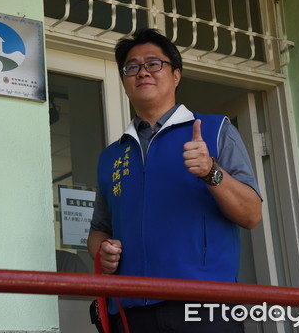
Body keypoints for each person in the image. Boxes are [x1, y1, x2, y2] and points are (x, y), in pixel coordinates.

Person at [87, 28, 262, 333]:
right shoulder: (111, 156)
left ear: (176, 75)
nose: (142, 72)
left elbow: (251, 214)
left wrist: (211, 171)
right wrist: (102, 251)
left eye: (154, 63)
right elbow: (98, 231)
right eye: (132, 66)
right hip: (130, 312)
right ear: (125, 82)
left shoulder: (215, 130)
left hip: (203, 307)